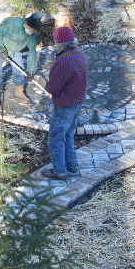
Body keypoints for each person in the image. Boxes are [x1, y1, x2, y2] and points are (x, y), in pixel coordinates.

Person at [42, 26, 88, 180]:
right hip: (76, 103)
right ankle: (72, 165)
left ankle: (59, 170)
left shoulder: (63, 60)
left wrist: (48, 86)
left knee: (56, 138)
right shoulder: (78, 54)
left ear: (59, 43)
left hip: (65, 105)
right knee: (68, 135)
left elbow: (52, 88)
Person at [0, 12, 42, 109]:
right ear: (26, 24)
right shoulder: (13, 23)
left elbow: (32, 53)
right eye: (33, 29)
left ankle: (19, 93)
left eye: (36, 30)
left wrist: (31, 71)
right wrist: (1, 50)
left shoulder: (33, 34)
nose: (34, 32)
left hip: (14, 48)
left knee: (20, 69)